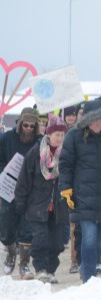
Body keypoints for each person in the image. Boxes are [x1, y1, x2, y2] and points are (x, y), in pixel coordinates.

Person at [58, 99, 101, 283]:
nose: (98, 123)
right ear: (87, 121)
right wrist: (66, 189)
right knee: (89, 238)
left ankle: (86, 266)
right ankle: (89, 278)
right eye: (94, 119)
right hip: (84, 195)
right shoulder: (74, 137)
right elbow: (65, 165)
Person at [14, 115, 68, 282]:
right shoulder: (35, 153)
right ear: (48, 134)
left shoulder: (67, 154)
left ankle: (51, 270)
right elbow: (24, 179)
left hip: (59, 205)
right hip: (37, 205)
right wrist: (21, 202)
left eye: (61, 134)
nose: (59, 138)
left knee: (58, 242)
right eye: (56, 134)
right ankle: (41, 269)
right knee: (40, 238)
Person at [1, 106, 40, 277]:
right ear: (20, 124)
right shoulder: (8, 138)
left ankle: (25, 263)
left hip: (30, 191)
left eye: (32, 126)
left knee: (27, 228)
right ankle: (10, 254)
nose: (29, 129)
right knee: (6, 226)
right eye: (26, 125)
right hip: (8, 187)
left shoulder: (40, 141)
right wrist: (7, 171)